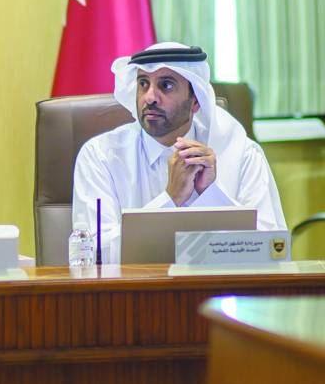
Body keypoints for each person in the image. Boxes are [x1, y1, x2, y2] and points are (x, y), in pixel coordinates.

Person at [73, 42, 286, 263]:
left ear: (196, 101)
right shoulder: (101, 156)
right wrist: (170, 199)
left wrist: (211, 194)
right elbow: (94, 255)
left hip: (219, 284)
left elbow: (273, 250)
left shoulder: (241, 153)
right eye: (143, 84)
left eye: (166, 85)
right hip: (134, 286)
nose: (150, 97)